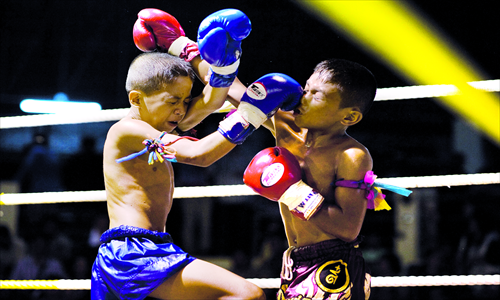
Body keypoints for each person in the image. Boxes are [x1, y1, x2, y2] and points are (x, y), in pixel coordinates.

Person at [91, 8, 304, 300]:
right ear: (136, 99)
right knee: (248, 295)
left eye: (184, 101)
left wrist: (195, 53)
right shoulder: (127, 131)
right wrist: (251, 112)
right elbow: (199, 154)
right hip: (132, 252)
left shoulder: (160, 126)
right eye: (172, 102)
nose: (180, 110)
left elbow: (212, 99)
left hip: (144, 249)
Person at [240, 59, 412, 299]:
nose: (303, 98)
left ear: (349, 117)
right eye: (305, 88)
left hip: (334, 265)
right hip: (293, 261)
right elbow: (235, 92)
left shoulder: (352, 155)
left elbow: (348, 228)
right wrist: (185, 48)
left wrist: (292, 191)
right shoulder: (286, 126)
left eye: (316, 95)